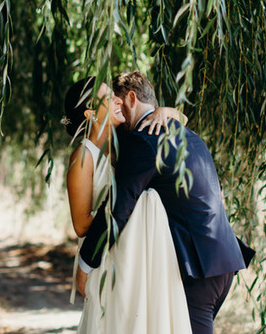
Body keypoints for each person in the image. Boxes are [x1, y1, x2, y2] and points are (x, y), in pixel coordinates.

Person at [77, 71, 254, 334]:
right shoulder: (185, 133)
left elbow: (117, 209)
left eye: (118, 101)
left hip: (197, 272)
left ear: (132, 98)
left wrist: (86, 264)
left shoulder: (144, 140)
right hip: (219, 261)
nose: (117, 108)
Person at [63, 75, 193, 334]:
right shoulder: (83, 157)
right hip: (108, 259)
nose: (117, 101)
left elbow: (180, 126)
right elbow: (80, 225)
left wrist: (167, 111)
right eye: (108, 98)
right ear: (90, 113)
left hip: (134, 256)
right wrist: (125, 209)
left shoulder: (122, 145)